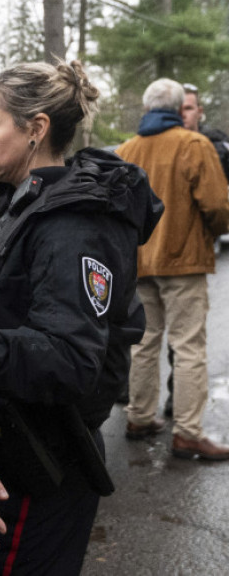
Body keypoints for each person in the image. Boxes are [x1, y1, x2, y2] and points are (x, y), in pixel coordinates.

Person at [0, 60, 161, 575]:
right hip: (2, 449)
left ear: (36, 129)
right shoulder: (9, 201)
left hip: (40, 462)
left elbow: (70, 357)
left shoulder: (73, 224)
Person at [117, 78, 229, 460]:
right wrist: (211, 232)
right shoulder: (194, 145)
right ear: (178, 107)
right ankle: (188, 433)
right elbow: (217, 206)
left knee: (145, 343)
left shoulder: (127, 150)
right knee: (188, 347)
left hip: (141, 262)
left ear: (147, 108)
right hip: (184, 262)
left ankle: (139, 416)